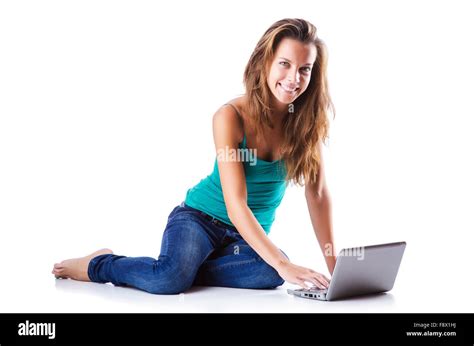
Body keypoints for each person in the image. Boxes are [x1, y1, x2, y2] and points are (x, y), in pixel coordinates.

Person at [52, 18, 336, 295]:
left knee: (271, 272)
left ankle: (186, 270)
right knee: (169, 279)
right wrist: (283, 262)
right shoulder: (230, 116)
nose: (293, 78)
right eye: (284, 64)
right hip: (200, 220)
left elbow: (318, 195)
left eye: (305, 69)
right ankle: (100, 264)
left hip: (245, 238)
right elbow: (235, 204)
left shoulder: (307, 124)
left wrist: (336, 270)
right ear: (265, 62)